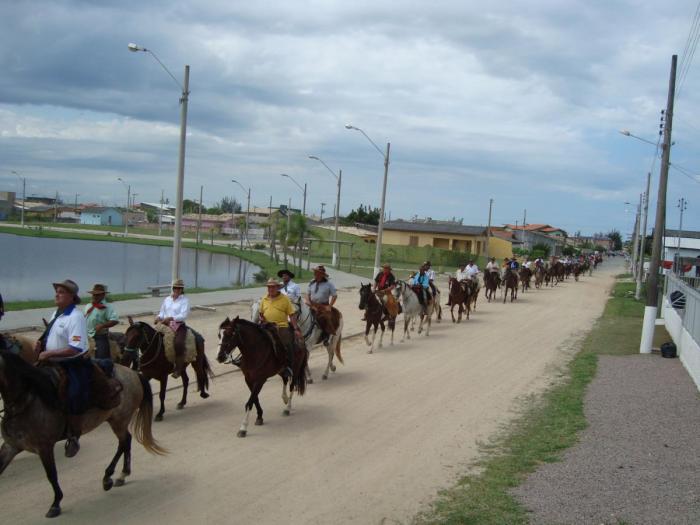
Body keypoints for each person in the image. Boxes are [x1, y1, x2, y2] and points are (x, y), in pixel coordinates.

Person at [36, 279, 89, 458]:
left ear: (72, 297)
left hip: (72, 363)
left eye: (61, 292)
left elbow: (75, 348)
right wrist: (41, 344)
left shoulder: (76, 316)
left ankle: (73, 435)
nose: (56, 294)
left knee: (74, 393)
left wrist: (49, 354)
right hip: (51, 362)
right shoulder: (57, 313)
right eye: (56, 291)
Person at [259, 278, 303, 378]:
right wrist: (262, 319)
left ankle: (288, 366)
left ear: (277, 287)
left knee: (286, 343)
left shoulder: (285, 299)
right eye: (269, 287)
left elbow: (291, 315)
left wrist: (295, 328)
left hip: (281, 326)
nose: (270, 289)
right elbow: (261, 313)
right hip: (266, 325)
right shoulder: (264, 299)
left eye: (273, 287)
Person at [155, 279, 190, 379]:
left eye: (179, 288)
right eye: (175, 288)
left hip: (178, 325)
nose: (177, 290)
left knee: (178, 343)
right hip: (165, 324)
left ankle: (178, 368)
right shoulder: (167, 299)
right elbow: (162, 312)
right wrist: (158, 317)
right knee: (152, 337)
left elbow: (183, 315)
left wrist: (171, 318)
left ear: (182, 289)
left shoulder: (185, 300)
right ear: (173, 288)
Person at [84, 284, 119, 361]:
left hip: (100, 337)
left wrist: (102, 326)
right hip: (86, 336)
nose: (94, 296)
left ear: (103, 295)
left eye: (97, 295)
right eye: (93, 294)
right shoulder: (88, 306)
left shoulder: (108, 307)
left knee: (102, 360)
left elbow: (115, 320)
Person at [305, 265, 340, 339]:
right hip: (311, 304)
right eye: (315, 273)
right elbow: (307, 294)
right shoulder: (312, 282)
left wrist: (329, 306)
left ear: (322, 275)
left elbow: (334, 296)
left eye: (317, 273)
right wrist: (308, 302)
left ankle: (326, 336)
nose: (315, 274)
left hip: (323, 306)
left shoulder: (329, 284)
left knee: (326, 318)